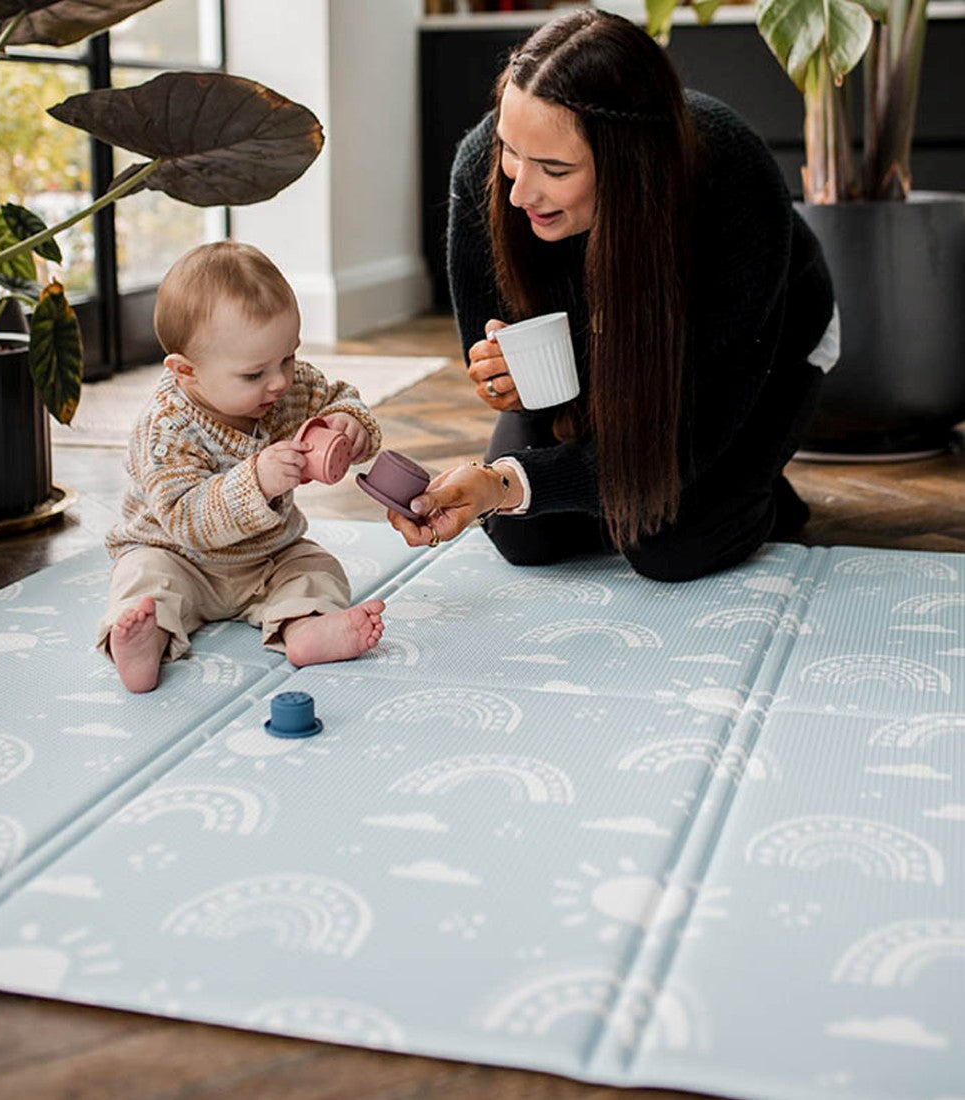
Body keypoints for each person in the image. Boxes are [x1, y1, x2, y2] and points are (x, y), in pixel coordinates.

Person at [389, 8, 839, 580]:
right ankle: (656, 493)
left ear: (631, 165)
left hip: (765, 349)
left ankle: (755, 486)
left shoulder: (732, 179)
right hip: (598, 357)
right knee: (523, 531)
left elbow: (698, 420)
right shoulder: (486, 172)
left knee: (668, 543)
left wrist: (533, 482)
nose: (520, 189)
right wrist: (505, 401)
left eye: (555, 168)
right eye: (511, 150)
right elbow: (518, 372)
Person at [97, 241, 385, 693]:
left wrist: (350, 424)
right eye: (255, 374)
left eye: (288, 357)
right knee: (143, 580)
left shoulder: (287, 386)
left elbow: (336, 397)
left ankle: (305, 627)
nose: (280, 381)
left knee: (315, 566)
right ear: (185, 371)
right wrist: (257, 482)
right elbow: (186, 520)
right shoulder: (167, 426)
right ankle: (142, 642)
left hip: (268, 556)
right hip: (180, 558)